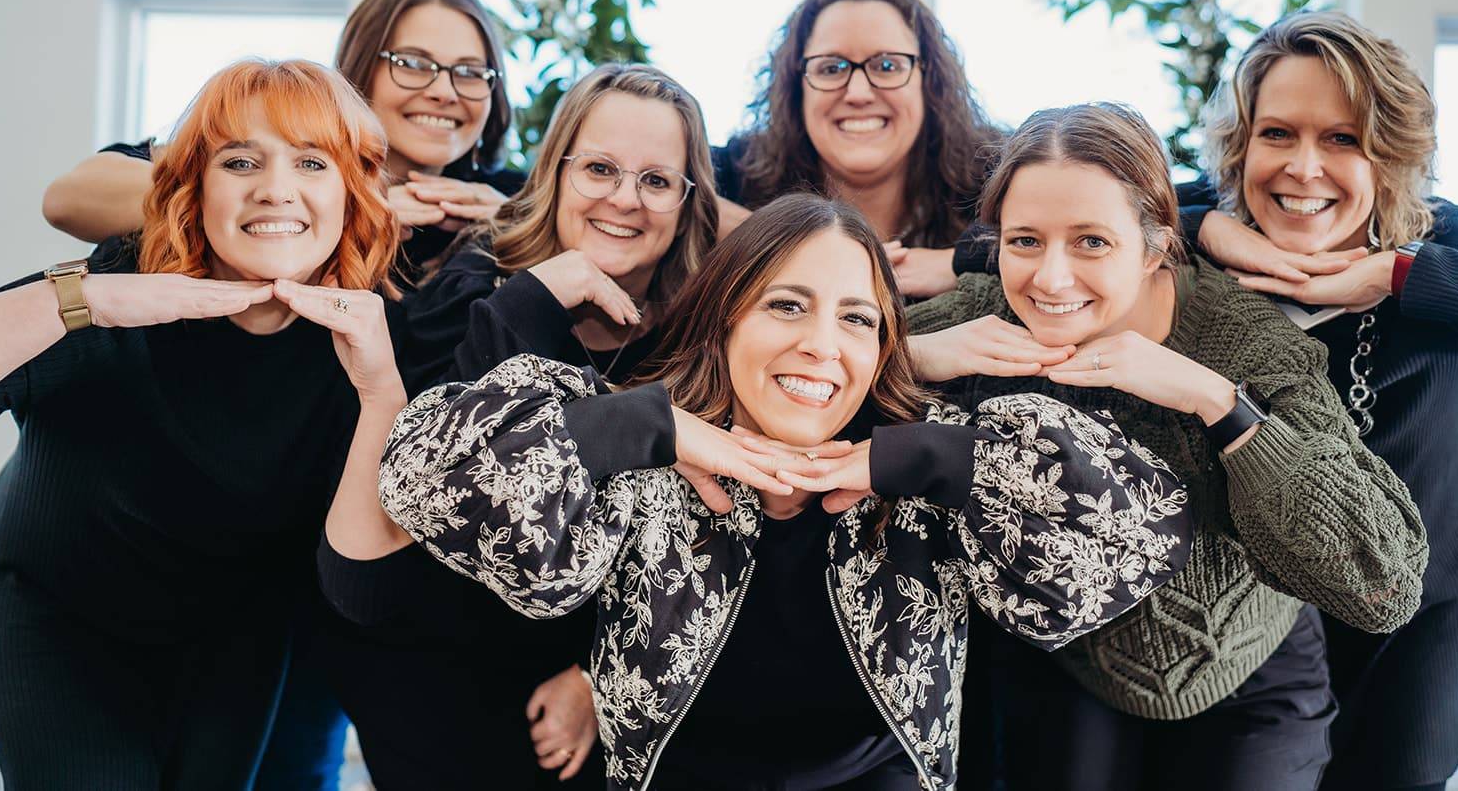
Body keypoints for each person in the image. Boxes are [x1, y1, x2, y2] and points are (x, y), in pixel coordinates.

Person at [378, 193, 1194, 790]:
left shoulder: (932, 472)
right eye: (787, 305)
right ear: (726, 318)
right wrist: (651, 429)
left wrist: (911, 462)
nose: (820, 346)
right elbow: (417, 473)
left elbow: (1144, 530)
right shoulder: (643, 458)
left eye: (856, 319)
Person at [908, 103, 1429, 791]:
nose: (1050, 278)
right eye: (1025, 241)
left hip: (1249, 670)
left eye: (1091, 241)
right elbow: (796, 371)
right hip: (1067, 660)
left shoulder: (1244, 342)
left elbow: (1385, 583)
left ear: (1157, 242)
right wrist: (912, 355)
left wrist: (1215, 400)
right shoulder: (983, 318)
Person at [0, 59, 407, 790]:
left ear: (351, 194)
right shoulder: (117, 279)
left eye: (310, 161)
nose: (275, 188)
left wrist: (380, 390)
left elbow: (362, 592)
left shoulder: (365, 342)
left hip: (232, 637)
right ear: (195, 188)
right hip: (60, 618)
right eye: (240, 161)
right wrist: (91, 301)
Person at [1187, 10, 1458, 791]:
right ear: (1242, 145)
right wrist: (1201, 230)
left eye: (1343, 139)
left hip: (1437, 603)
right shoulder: (1202, 216)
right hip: (1261, 606)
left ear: (1391, 157)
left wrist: (1399, 275)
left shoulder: (1442, 240)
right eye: (1278, 134)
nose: (1303, 168)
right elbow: (1024, 235)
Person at [316, 63, 719, 788]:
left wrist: (597, 670)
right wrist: (536, 296)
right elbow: (428, 487)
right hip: (428, 678)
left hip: (598, 696)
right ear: (555, 170)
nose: (625, 200)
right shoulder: (468, 290)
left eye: (657, 180)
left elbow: (707, 540)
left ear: (688, 201)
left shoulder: (702, 340)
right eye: (600, 168)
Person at [41, 0, 521, 287]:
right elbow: (65, 201)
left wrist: (521, 228)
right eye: (414, 64)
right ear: (359, 67)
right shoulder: (260, 157)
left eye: (471, 72)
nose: (445, 90)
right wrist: (349, 206)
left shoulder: (511, 198)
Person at [715, 0, 1003, 298]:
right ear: (797, 88)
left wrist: (960, 259)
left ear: (928, 81)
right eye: (831, 68)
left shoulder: (995, 180)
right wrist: (781, 243)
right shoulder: (736, 174)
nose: (858, 93)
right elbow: (666, 179)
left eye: (886, 66)